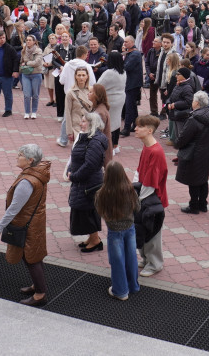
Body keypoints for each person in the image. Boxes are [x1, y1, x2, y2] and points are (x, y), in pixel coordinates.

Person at [0, 143, 51, 306]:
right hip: (34, 221)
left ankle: (40, 294)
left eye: (20, 155)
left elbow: (14, 209)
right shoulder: (39, 173)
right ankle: (38, 285)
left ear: (30, 160)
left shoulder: (27, 181)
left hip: (26, 225)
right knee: (34, 256)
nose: (17, 157)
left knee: (31, 259)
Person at [95, 161, 141, 300]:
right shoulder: (129, 190)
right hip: (130, 228)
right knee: (131, 257)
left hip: (114, 231)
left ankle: (120, 291)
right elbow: (137, 208)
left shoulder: (101, 193)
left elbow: (100, 211)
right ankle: (133, 286)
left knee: (117, 261)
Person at [67, 112, 109, 254]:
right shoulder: (87, 137)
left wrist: (74, 176)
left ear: (92, 124)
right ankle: (92, 238)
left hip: (89, 183)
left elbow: (90, 164)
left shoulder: (95, 141)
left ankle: (96, 240)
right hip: (84, 182)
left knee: (88, 211)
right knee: (84, 210)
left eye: (84, 121)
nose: (81, 123)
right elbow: (77, 157)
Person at [133, 115, 168, 277]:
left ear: (149, 130)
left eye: (139, 126)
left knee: (152, 232)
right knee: (142, 229)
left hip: (152, 200)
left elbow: (152, 183)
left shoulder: (156, 151)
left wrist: (137, 198)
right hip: (143, 196)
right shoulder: (147, 147)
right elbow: (139, 171)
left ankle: (155, 264)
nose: (135, 129)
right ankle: (146, 259)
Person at [174, 91, 209, 213]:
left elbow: (183, 137)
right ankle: (203, 204)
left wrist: (177, 144)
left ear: (196, 103)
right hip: (206, 149)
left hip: (193, 152)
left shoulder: (194, 119)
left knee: (193, 180)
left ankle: (194, 206)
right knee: (203, 178)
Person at [97, 51, 127, 148]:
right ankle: (115, 144)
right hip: (121, 98)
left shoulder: (109, 72)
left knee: (109, 123)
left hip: (110, 99)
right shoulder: (123, 72)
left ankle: (109, 145)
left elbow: (99, 85)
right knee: (117, 121)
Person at [15, 34, 43, 117]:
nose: (28, 41)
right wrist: (19, 70)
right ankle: (27, 112)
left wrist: (27, 63)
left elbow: (37, 62)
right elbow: (21, 62)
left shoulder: (38, 51)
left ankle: (34, 112)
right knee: (26, 95)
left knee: (35, 95)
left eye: (30, 40)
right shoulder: (23, 50)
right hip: (25, 74)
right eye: (27, 40)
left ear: (34, 42)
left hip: (36, 74)